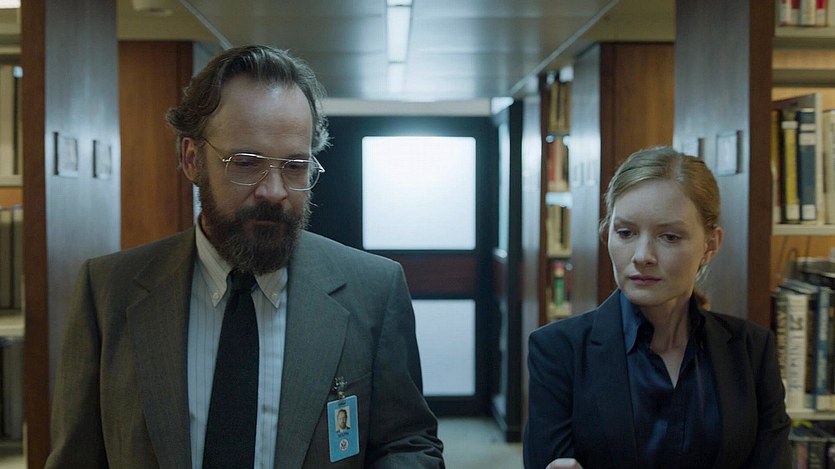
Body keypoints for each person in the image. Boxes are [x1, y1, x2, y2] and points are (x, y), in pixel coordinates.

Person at [46, 45, 444, 468]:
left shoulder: (372, 291)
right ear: (192, 159)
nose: (274, 191)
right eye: (247, 163)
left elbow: (407, 443)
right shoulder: (110, 292)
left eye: (295, 166)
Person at [523, 147, 791, 469]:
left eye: (669, 237)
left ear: (710, 245)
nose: (642, 256)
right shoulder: (558, 350)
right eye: (625, 233)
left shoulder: (752, 350)